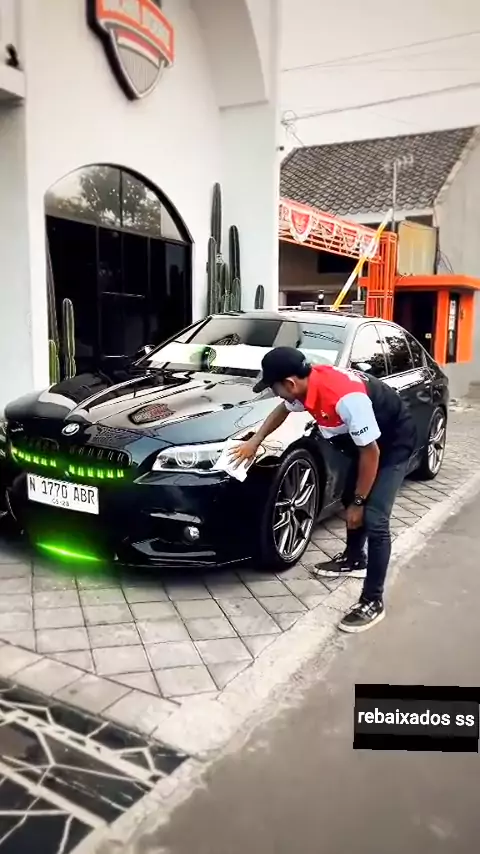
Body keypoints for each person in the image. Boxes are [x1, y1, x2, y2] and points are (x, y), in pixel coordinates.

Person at [230, 346, 417, 633]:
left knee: (374, 517)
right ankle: (354, 559)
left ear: (289, 383)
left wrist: (360, 503)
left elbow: (371, 454)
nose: (275, 394)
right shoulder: (305, 386)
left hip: (392, 445)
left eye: (274, 387)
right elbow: (282, 410)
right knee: (349, 496)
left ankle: (372, 600)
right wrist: (255, 441)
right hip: (362, 444)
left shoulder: (346, 400)